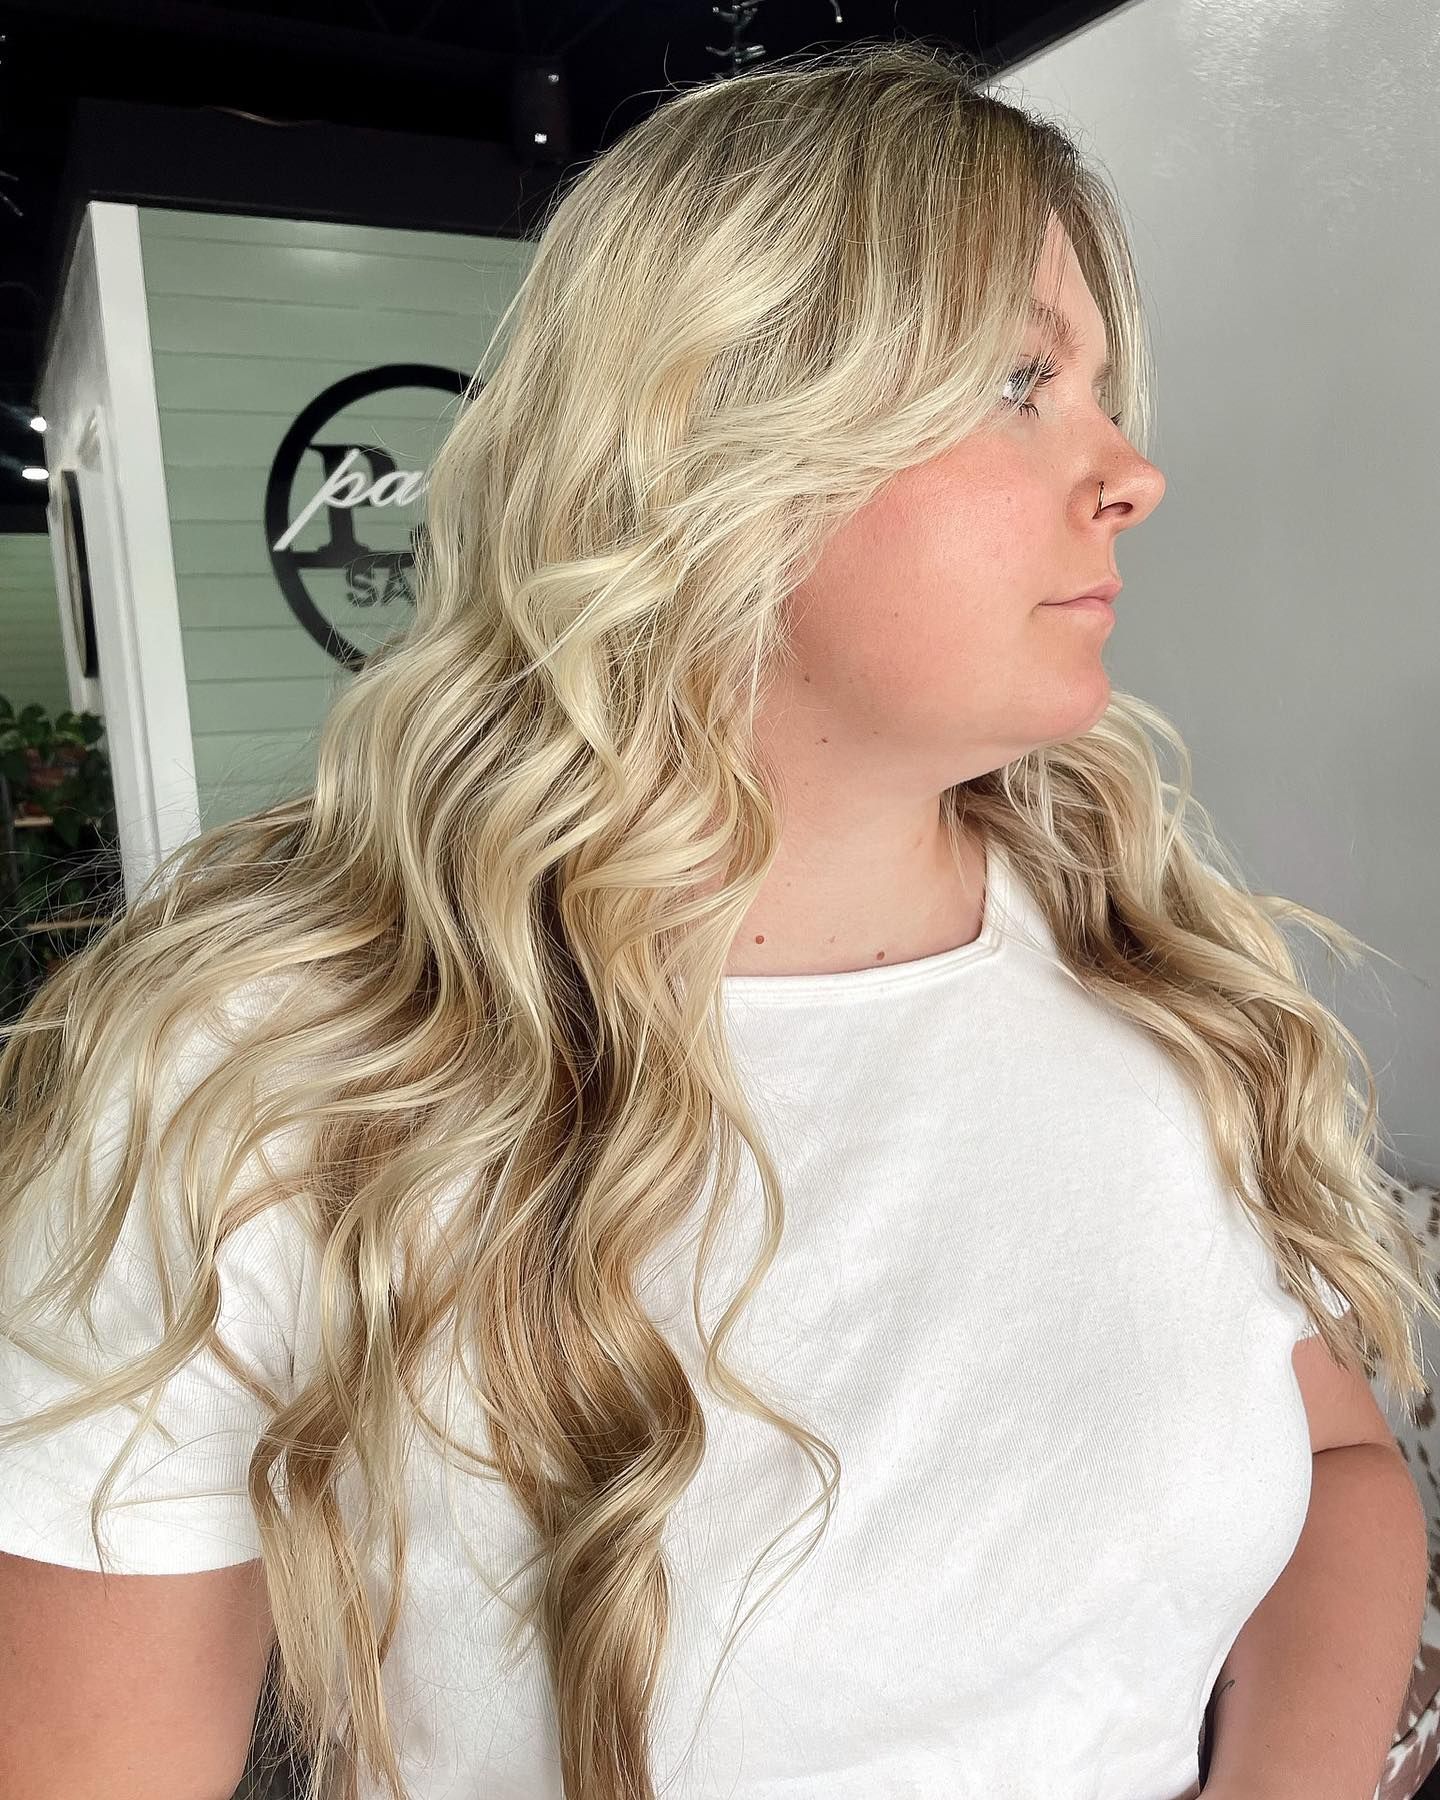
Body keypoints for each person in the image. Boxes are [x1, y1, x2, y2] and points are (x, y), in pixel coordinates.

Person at [0, 36, 1432, 1800]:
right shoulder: (274, 1072)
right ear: (706, 439)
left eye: (1103, 391)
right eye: (1016, 383)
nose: (1130, 470)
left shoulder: (1157, 964)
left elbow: (1344, 1473)